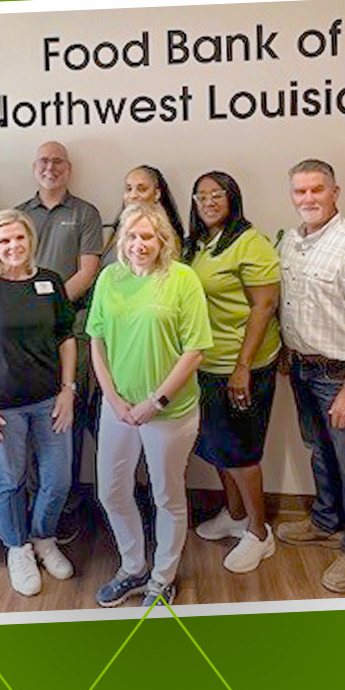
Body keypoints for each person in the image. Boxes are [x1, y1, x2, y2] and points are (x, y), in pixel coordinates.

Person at [273, 158, 345, 594]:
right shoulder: (291, 242)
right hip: (302, 367)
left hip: (340, 375)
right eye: (300, 191)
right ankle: (326, 521)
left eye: (317, 189)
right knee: (319, 450)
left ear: (335, 192)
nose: (308, 198)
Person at [88, 202, 213, 609]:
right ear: (121, 240)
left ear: (163, 240)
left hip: (169, 413)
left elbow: (195, 350)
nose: (139, 244)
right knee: (111, 491)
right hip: (119, 409)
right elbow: (96, 340)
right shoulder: (110, 278)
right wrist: (112, 398)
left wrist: (155, 401)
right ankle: (133, 567)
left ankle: (163, 578)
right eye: (131, 236)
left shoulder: (182, 279)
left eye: (147, 236)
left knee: (167, 496)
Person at [0, 209, 77, 596]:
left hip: (49, 401)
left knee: (58, 479)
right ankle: (17, 547)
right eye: (4, 240)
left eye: (19, 238)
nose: (13, 246)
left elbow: (66, 338)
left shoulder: (50, 282)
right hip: (1, 407)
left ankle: (43, 537)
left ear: (31, 240)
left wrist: (68, 389)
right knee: (10, 480)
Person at [183, 171, 283, 574]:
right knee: (217, 446)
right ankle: (235, 514)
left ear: (233, 198)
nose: (208, 202)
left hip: (243, 365)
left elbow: (264, 306)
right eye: (201, 195)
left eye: (217, 194)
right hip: (207, 362)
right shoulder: (198, 244)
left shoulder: (250, 242)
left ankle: (259, 533)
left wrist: (242, 367)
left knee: (241, 451)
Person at [18, 142, 105, 531]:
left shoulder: (85, 213)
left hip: (69, 326)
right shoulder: (19, 214)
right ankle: (32, 499)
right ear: (34, 167)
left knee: (67, 413)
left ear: (68, 168)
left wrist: (47, 307)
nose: (50, 168)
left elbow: (88, 271)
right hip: (24, 333)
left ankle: (64, 503)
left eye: (57, 162)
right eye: (43, 161)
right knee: (29, 411)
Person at [119, 165, 186, 245]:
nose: (133, 195)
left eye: (141, 189)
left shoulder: (163, 233)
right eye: (129, 189)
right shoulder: (118, 230)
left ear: (157, 194)